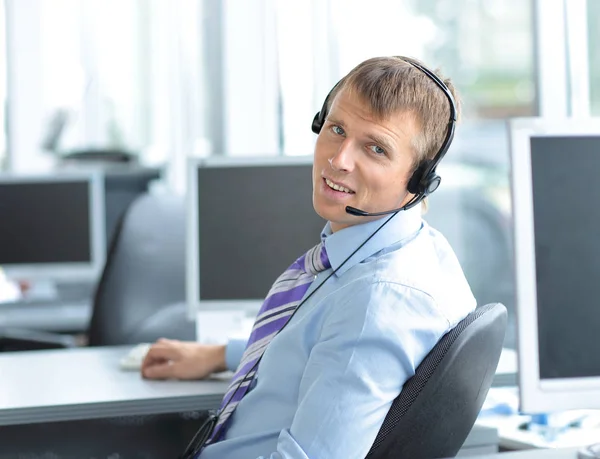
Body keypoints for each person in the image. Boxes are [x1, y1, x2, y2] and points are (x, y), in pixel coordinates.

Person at [141, 56, 476, 459]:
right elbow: (324, 347)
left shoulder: (377, 300)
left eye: (376, 149)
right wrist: (221, 355)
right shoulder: (410, 249)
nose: (338, 160)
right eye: (337, 129)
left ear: (419, 181)